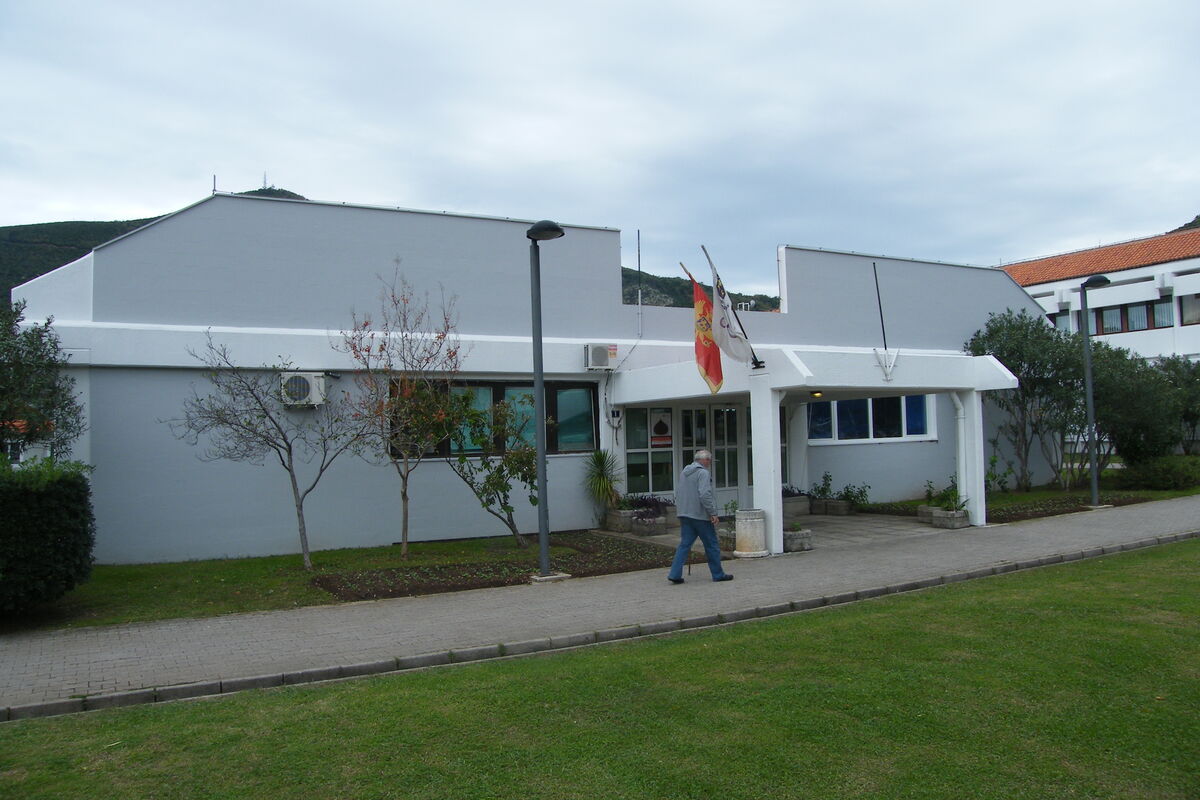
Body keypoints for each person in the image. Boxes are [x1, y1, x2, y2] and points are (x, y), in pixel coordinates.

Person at [667, 449, 733, 584]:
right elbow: (704, 494)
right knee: (712, 545)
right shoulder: (703, 473)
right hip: (700, 515)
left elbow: (680, 492)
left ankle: (674, 574)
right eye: (709, 460)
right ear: (704, 460)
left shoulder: (684, 472)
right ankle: (718, 574)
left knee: (684, 545)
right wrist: (713, 512)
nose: (709, 463)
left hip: (685, 514)